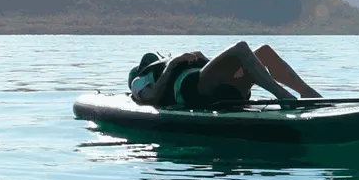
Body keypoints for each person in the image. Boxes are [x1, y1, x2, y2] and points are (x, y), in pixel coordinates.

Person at [128, 41, 322, 108]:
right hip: (193, 91)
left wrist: (202, 58)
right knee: (241, 48)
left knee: (263, 51)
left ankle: (308, 93)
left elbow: (226, 63)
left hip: (219, 87)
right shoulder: (139, 79)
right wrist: (173, 64)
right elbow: (151, 98)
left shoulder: (168, 62)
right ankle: (284, 97)